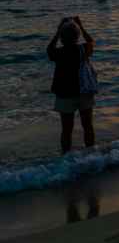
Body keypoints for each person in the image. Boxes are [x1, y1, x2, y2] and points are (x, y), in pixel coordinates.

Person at [47, 16, 96, 154]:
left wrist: (58, 31)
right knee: (88, 126)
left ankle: (67, 159)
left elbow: (49, 49)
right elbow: (91, 41)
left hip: (65, 95)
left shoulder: (59, 52)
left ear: (62, 38)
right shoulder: (83, 49)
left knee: (67, 130)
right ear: (77, 36)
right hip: (84, 92)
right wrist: (81, 25)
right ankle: (91, 154)